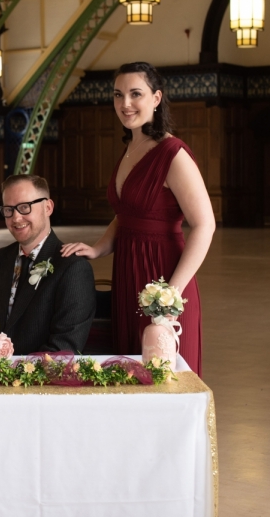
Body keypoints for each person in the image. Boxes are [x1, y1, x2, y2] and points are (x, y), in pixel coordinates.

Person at [62, 62, 215, 375]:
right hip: (128, 273)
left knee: (165, 376)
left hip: (163, 276)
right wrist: (98, 248)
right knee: (132, 372)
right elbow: (128, 215)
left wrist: (171, 293)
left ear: (156, 98)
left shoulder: (173, 153)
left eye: (135, 94)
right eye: (118, 95)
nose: (125, 104)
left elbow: (205, 225)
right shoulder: (131, 148)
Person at [0, 175, 95, 355]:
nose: (16, 218)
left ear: (48, 207)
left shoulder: (73, 267)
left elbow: (64, 347)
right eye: (9, 209)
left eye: (25, 207)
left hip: (38, 378)